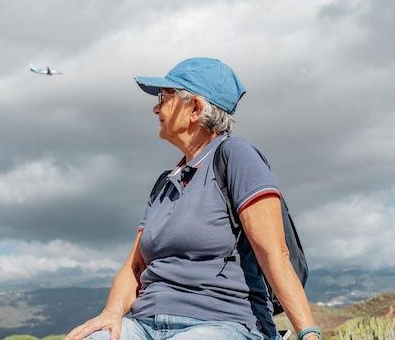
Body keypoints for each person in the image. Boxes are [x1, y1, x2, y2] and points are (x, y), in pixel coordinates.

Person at [64, 57, 320, 340]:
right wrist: (111, 314)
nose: (155, 107)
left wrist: (308, 332)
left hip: (223, 323)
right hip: (144, 324)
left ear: (195, 108)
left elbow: (274, 253)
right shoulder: (165, 183)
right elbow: (134, 267)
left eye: (164, 97)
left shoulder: (237, 156)